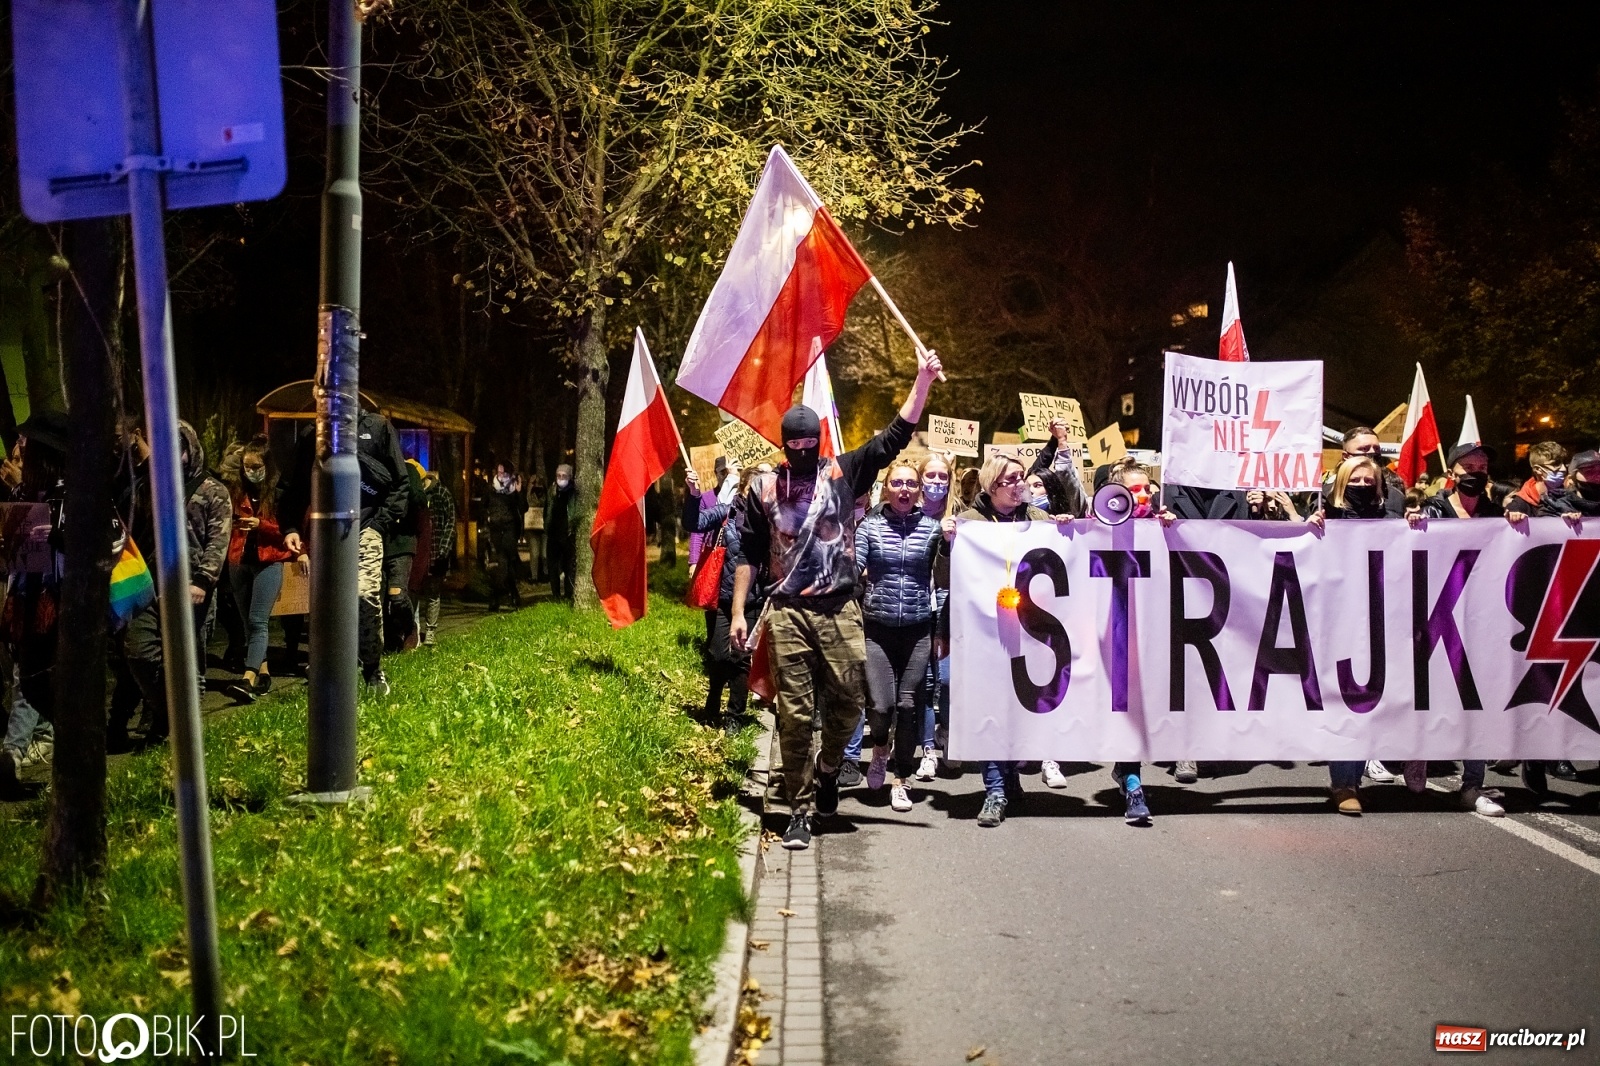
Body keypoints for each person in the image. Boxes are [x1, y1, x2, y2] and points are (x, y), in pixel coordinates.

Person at [730, 346, 944, 851]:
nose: (803, 451)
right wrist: (740, 611)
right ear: (784, 445)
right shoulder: (764, 488)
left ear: (819, 441)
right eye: (795, 444)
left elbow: (894, 437)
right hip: (787, 614)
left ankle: (830, 770)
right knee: (796, 714)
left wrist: (923, 382)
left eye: (810, 443)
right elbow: (748, 553)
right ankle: (800, 809)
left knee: (852, 705)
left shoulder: (844, 474)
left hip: (842, 610)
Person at [944, 451, 1062, 827]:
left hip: (1032, 631)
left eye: (1022, 477)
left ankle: (1010, 777)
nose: (1020, 485)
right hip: (986, 632)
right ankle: (994, 789)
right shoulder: (970, 523)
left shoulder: (1039, 520)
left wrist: (1067, 530)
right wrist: (947, 541)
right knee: (989, 708)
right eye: (1011, 480)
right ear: (992, 485)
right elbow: (946, 576)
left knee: (1019, 708)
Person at [1404, 442, 1518, 816]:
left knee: (1478, 699)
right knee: (1430, 690)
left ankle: (1472, 784)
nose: (1477, 471)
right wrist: (1411, 524)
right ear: (1452, 471)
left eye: (1482, 465)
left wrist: (1521, 514)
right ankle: (1419, 752)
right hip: (1434, 612)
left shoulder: (1494, 509)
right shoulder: (1433, 508)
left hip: (1483, 617)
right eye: (1469, 465)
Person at [280, 407, 410, 695]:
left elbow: (401, 483)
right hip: (326, 532)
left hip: (366, 528)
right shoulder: (312, 435)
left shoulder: (378, 428)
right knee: (327, 604)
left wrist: (379, 524)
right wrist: (290, 527)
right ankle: (330, 669)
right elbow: (293, 487)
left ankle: (373, 667)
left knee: (364, 594)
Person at [124, 420, 233, 741]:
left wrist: (203, 581)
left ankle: (187, 739)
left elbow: (218, 540)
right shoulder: (149, 487)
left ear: (190, 450)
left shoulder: (213, 491)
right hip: (148, 587)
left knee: (189, 666)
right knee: (138, 652)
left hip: (192, 592)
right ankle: (168, 714)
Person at [855, 463, 943, 813]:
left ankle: (901, 779)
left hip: (918, 629)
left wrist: (951, 543)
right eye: (897, 483)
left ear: (919, 489)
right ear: (886, 488)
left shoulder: (933, 529)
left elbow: (949, 568)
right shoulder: (870, 527)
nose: (904, 489)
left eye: (911, 483)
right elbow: (854, 565)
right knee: (881, 706)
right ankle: (879, 749)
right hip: (877, 628)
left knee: (908, 706)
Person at [1321, 455, 1399, 813]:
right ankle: (1344, 783)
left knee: (1386, 700)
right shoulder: (1326, 520)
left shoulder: (1393, 523)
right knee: (1348, 700)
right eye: (1356, 481)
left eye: (1370, 483)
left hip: (1387, 618)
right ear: (1340, 485)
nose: (1363, 488)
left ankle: (1406, 758)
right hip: (1340, 620)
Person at [0, 411, 68, 791]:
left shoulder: (69, 496)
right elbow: (17, 560)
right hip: (29, 606)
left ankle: (20, 755)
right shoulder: (28, 494)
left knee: (39, 682)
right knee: (30, 682)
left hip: (57, 608)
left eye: (26, 446)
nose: (18, 453)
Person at [682, 466, 763, 731]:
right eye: (753, 488)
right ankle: (713, 699)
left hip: (752, 600)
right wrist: (693, 495)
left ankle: (734, 717)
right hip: (721, 598)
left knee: (740, 659)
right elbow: (694, 523)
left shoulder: (773, 521)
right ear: (742, 490)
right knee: (719, 655)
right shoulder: (727, 513)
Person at [223, 436, 298, 703]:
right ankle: (263, 673)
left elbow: (289, 529)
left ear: (267, 465)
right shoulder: (236, 489)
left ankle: (248, 677)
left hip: (269, 561)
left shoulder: (279, 492)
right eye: (246, 466)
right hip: (240, 561)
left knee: (257, 621)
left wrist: (261, 526)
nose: (251, 472)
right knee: (247, 624)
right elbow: (225, 467)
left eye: (256, 466)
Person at [917, 453, 955, 782]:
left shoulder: (959, 518)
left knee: (947, 679)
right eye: (931, 475)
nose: (937, 483)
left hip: (946, 606)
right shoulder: (907, 516)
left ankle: (946, 730)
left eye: (944, 477)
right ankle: (928, 749)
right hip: (914, 607)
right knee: (925, 684)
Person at [383, 455, 425, 649]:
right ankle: (390, 640)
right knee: (378, 597)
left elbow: (419, 499)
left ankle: (410, 627)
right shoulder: (374, 467)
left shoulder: (408, 470)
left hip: (401, 542)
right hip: (379, 539)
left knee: (397, 594)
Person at [413, 461, 457, 647]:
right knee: (414, 592)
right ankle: (414, 631)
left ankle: (430, 630)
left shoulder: (442, 494)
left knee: (433, 593)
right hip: (419, 553)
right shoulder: (414, 494)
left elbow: (450, 522)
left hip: (435, 552)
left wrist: (443, 549)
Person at [1327, 426, 1406, 515]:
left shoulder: (1395, 497)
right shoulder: (1326, 497)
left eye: (1376, 448)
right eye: (1364, 449)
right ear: (1346, 456)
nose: (1372, 452)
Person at [484, 461, 527, 611]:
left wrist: (520, 492)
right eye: (499, 472)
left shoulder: (514, 488)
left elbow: (523, 508)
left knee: (504, 560)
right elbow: (484, 504)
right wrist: (488, 519)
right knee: (506, 562)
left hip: (511, 527)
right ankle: (514, 593)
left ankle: (495, 597)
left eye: (504, 473)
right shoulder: (491, 488)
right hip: (496, 528)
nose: (501, 476)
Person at [1505, 441, 1569, 517]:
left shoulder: (1570, 496)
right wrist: (1513, 516)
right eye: (1555, 464)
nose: (1563, 469)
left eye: (1564, 463)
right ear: (1538, 469)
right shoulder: (1519, 505)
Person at [544, 463, 578, 600]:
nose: (561, 478)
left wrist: (572, 527)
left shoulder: (573, 493)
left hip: (567, 534)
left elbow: (575, 511)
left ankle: (568, 594)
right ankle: (556, 595)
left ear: (569, 477)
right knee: (552, 566)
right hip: (553, 534)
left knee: (568, 565)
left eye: (564, 476)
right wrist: (546, 526)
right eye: (558, 475)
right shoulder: (552, 492)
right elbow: (547, 510)